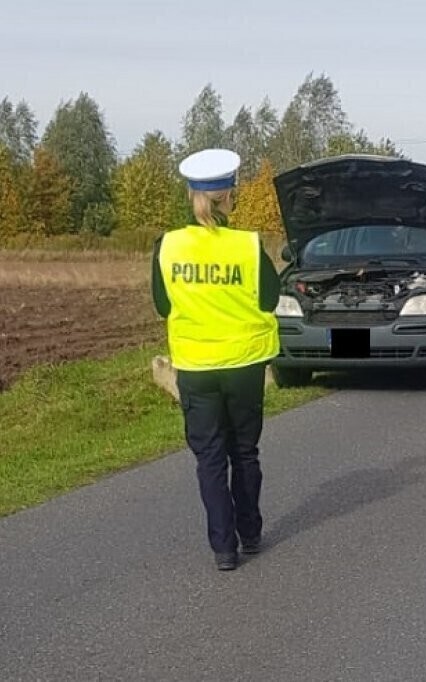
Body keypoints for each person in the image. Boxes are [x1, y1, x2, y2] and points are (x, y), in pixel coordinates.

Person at [151, 148, 281, 571]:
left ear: (192, 194)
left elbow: (161, 305)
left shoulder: (167, 246)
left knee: (209, 458)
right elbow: (270, 297)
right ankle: (251, 533)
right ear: (230, 196)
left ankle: (223, 549)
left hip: (196, 367)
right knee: (244, 452)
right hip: (243, 364)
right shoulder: (247, 246)